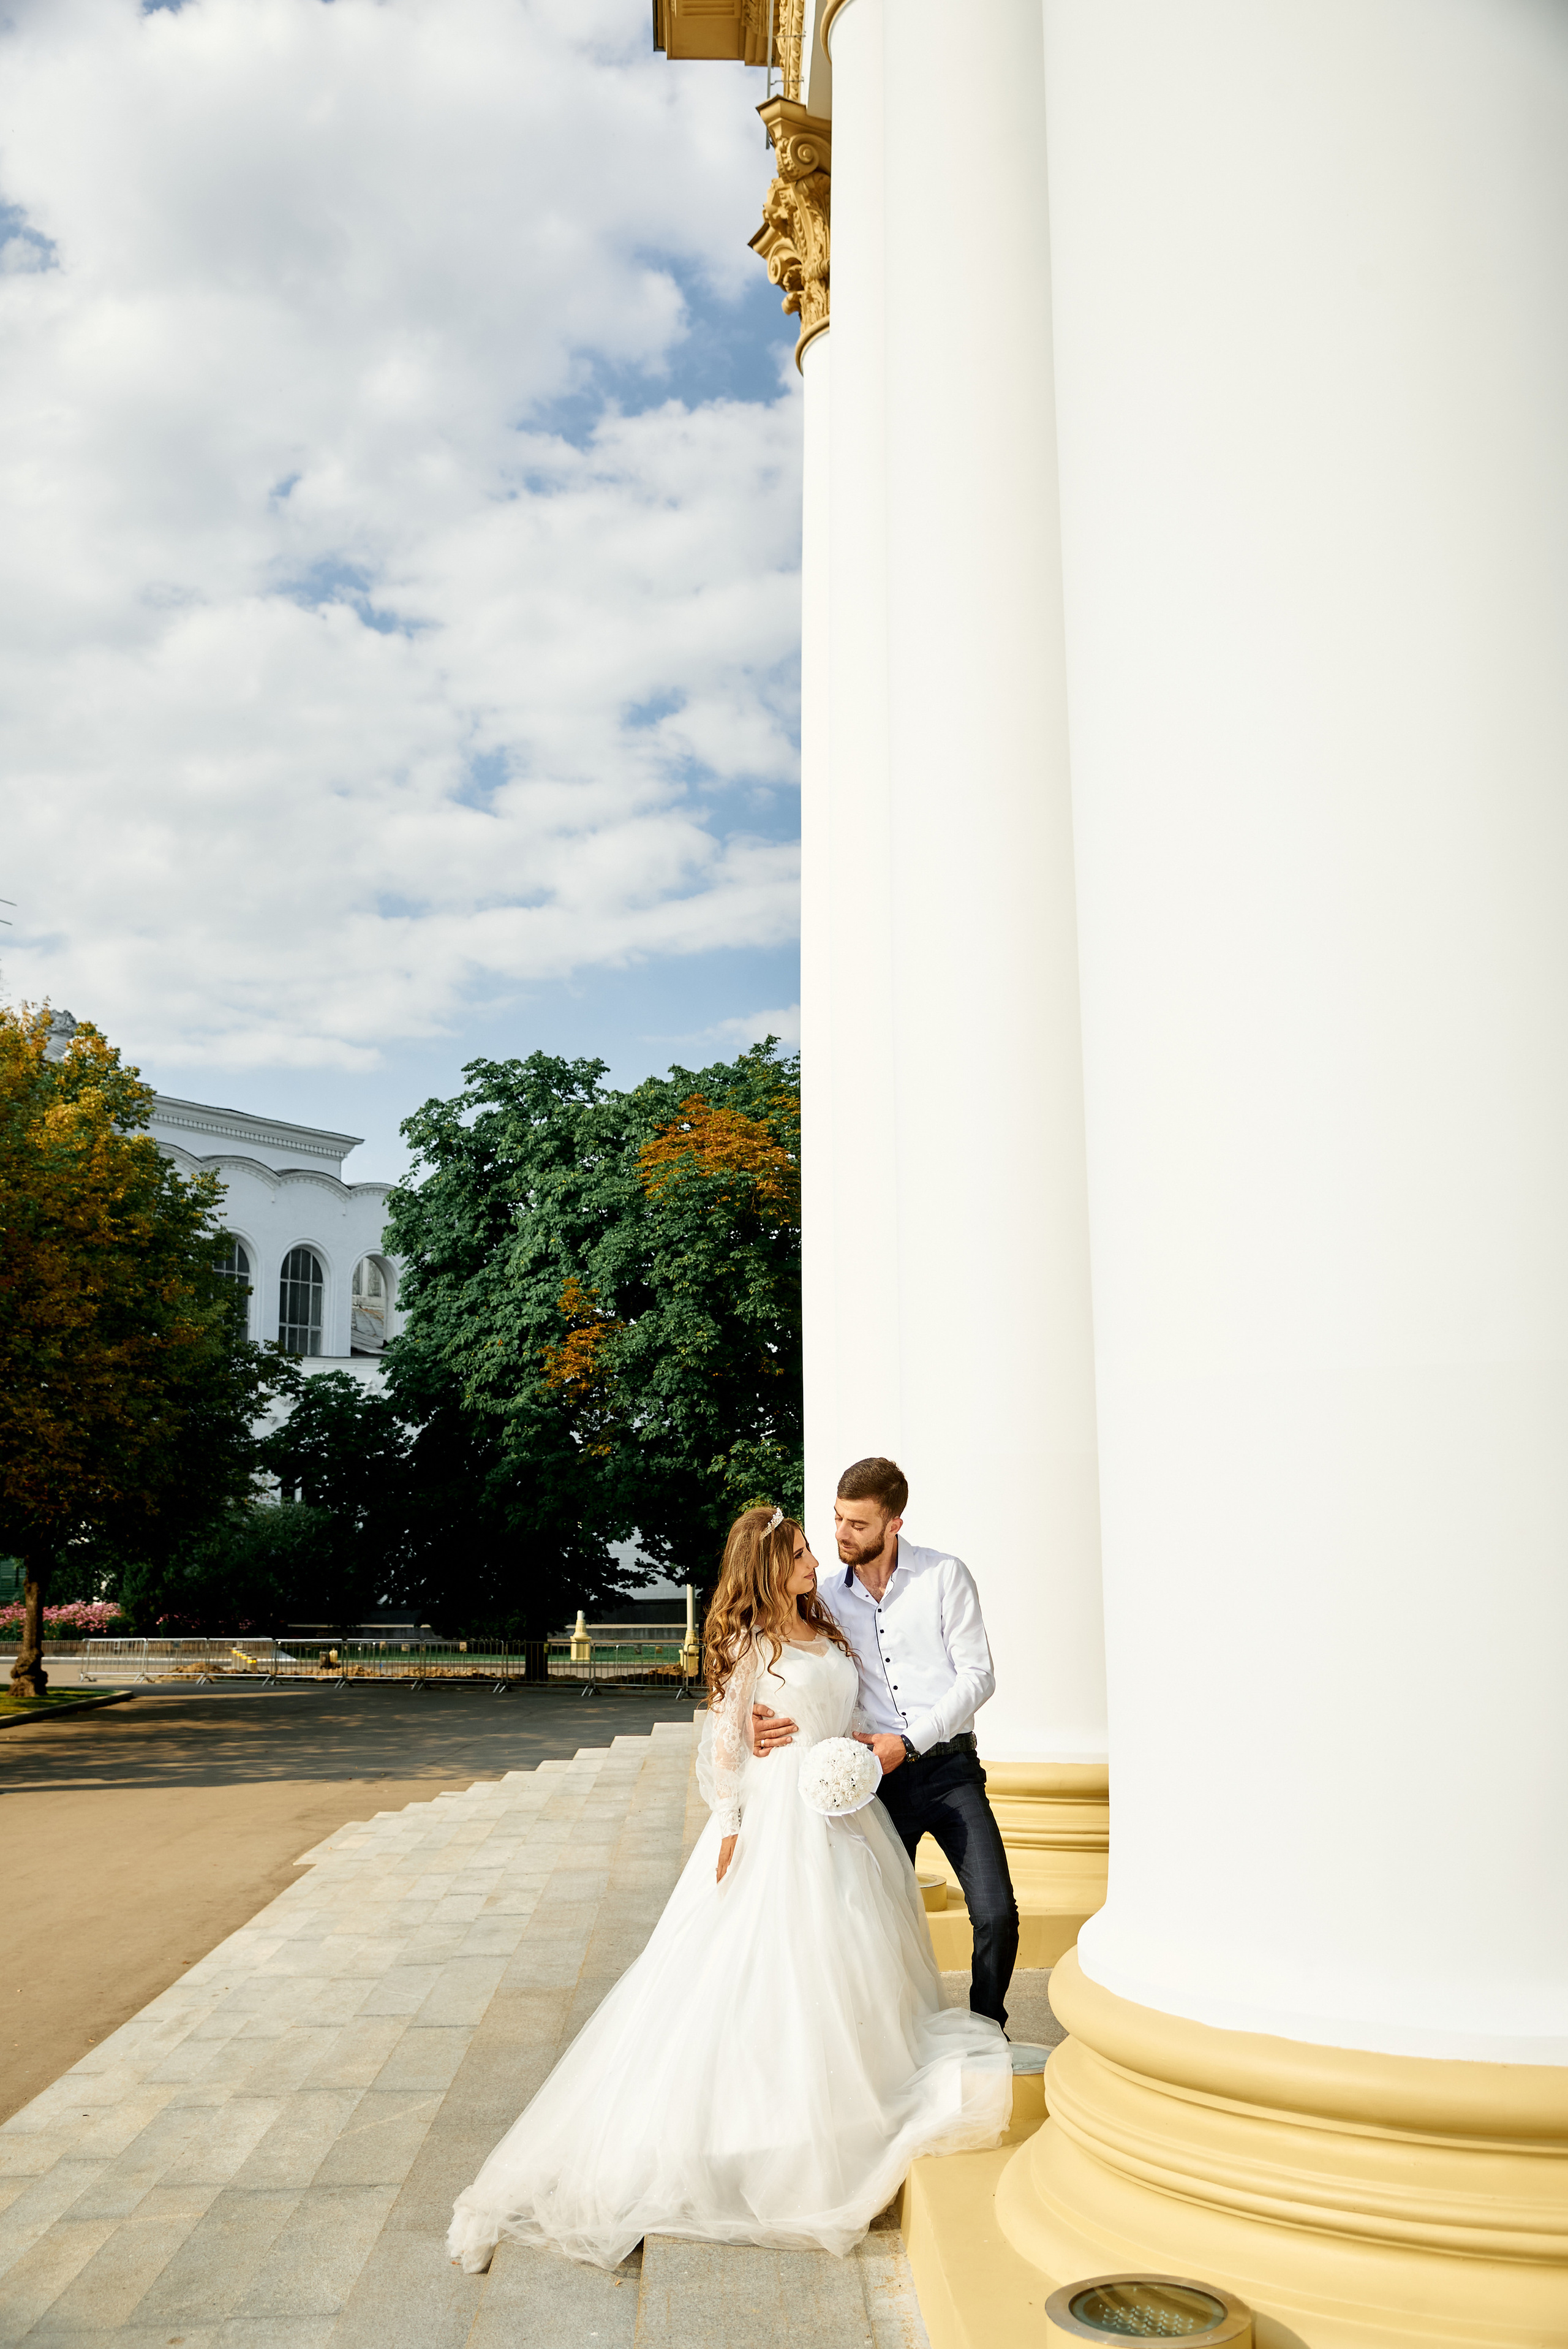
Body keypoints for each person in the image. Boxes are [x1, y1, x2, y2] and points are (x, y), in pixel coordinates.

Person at [445, 1504, 1011, 2275]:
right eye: (803, 1552)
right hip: (778, 1818)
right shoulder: (751, 1642)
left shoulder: (830, 1623)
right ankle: (757, 2132)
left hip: (843, 1814)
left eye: (816, 1548)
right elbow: (722, 1743)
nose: (817, 1560)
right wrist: (737, 1819)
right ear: (771, 1566)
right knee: (762, 1962)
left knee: (848, 1963)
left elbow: (854, 1703)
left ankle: (846, 2102)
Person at [753, 1458, 1020, 2030]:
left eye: (857, 1525)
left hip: (950, 1772)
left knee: (997, 1913)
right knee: (871, 1922)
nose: (841, 1536)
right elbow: (779, 1657)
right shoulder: (823, 1597)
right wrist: (753, 1720)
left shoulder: (945, 1576)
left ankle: (988, 2029)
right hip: (871, 1785)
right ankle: (891, 2037)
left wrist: (910, 1741)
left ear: (893, 1524)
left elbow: (978, 1677)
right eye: (837, 1520)